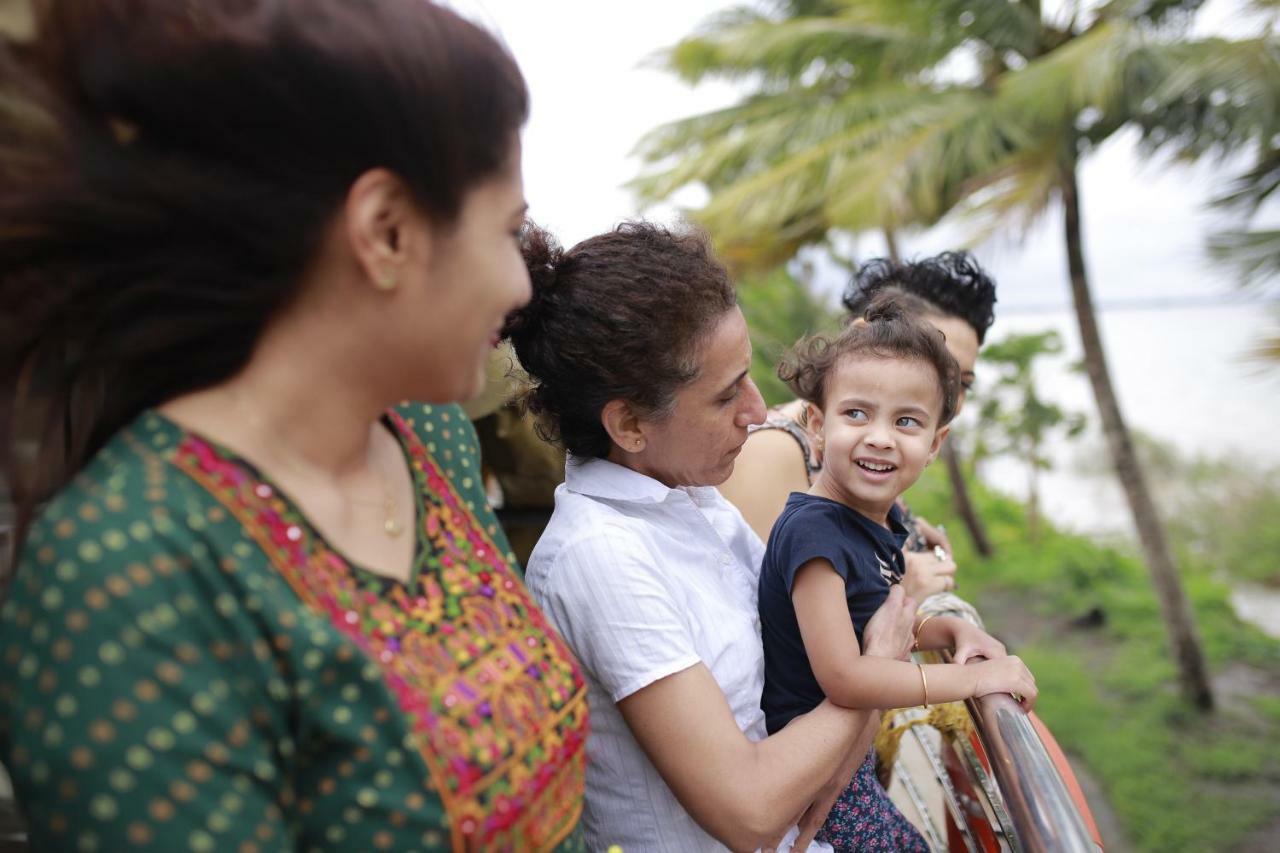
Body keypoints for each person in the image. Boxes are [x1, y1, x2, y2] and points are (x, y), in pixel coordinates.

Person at [0, 2, 590, 850]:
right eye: (504, 231)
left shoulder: (429, 441)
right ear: (386, 231)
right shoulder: (131, 568)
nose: (520, 286)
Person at [505, 221, 920, 852]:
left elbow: (821, 630)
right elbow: (748, 809)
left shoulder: (693, 499)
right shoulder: (602, 557)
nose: (758, 411)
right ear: (630, 424)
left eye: (749, 378)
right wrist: (873, 674)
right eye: (727, 395)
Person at [758, 296, 1037, 851]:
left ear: (934, 444)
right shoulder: (815, 534)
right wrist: (973, 680)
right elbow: (846, 675)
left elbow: (870, 620)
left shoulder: (866, 523)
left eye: (906, 421)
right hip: (811, 773)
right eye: (856, 413)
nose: (880, 437)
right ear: (817, 423)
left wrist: (953, 632)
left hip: (847, 761)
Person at [719, 252, 998, 600]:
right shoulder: (773, 452)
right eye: (929, 363)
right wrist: (902, 588)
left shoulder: (863, 454)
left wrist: (899, 532)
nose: (947, 396)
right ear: (862, 336)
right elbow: (765, 623)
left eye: (963, 382)